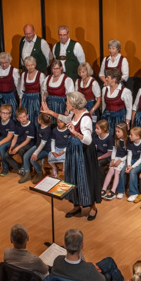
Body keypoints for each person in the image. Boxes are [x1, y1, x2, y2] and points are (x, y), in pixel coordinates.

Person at [60, 92, 101, 220]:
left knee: (85, 179)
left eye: (68, 102)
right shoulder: (74, 114)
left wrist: (75, 133)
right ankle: (76, 205)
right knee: (73, 178)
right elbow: (67, 119)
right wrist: (50, 112)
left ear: (73, 105)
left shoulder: (85, 118)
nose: (66, 103)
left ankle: (92, 208)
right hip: (73, 150)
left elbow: (88, 141)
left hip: (83, 153)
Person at [50, 228, 123, 281]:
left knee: (108, 262)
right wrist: (94, 271)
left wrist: (91, 268)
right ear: (82, 245)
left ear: (65, 245)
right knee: (108, 267)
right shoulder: (89, 269)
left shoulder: (57, 260)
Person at [100, 69, 133, 134]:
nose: (106, 79)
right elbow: (104, 105)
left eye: (108, 77)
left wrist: (127, 122)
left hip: (119, 119)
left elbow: (129, 108)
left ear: (114, 79)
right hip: (107, 118)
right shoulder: (104, 89)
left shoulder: (126, 91)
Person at [20, 56, 47, 123]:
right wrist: (20, 102)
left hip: (36, 100)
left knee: (36, 118)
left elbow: (43, 91)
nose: (30, 67)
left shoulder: (40, 75)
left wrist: (42, 103)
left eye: (32, 65)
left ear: (35, 64)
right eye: (28, 65)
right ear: (25, 66)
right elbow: (21, 89)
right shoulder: (24, 74)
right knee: (25, 117)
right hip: (26, 100)